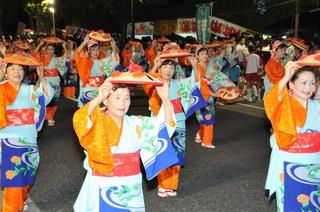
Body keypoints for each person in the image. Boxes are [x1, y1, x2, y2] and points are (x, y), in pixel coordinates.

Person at [73, 79, 178, 211]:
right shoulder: (97, 122)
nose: (122, 103)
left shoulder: (136, 123)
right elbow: (79, 119)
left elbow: (164, 127)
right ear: (106, 100)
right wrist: (99, 97)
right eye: (117, 97)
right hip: (104, 185)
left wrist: (166, 99)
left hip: (131, 185)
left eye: (127, 98)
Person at [144, 54, 206, 197]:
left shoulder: (178, 83)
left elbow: (195, 82)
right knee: (163, 151)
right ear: (160, 69)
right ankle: (162, 185)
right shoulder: (155, 82)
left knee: (177, 153)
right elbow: (146, 83)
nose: (168, 70)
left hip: (178, 121)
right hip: (161, 122)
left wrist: (194, 66)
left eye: (171, 67)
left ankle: (171, 185)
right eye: (164, 67)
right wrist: (154, 66)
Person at [0, 52, 53, 211]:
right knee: (14, 180)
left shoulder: (31, 89)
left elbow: (48, 97)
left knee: (27, 177)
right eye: (12, 69)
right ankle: (11, 208)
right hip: (8, 139)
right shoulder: (2, 88)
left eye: (20, 69)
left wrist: (42, 77)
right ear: (6, 71)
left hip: (29, 139)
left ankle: (19, 203)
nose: (17, 72)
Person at [264, 61, 320, 211]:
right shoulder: (285, 105)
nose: (308, 88)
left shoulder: (317, 106)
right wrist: (286, 76)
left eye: (312, 83)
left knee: (313, 203)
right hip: (289, 164)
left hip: (315, 164)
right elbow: (270, 101)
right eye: (304, 83)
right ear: (292, 84)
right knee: (290, 203)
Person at [74, 34, 119, 107]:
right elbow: (77, 54)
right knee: (90, 111)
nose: (96, 52)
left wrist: (113, 46)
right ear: (89, 51)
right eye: (93, 50)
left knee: (98, 112)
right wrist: (84, 43)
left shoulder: (102, 62)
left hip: (100, 90)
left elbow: (112, 59)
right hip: (88, 90)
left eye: (97, 49)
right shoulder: (85, 61)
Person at [34, 39, 67, 126]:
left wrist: (64, 47)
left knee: (54, 99)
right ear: (45, 50)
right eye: (48, 49)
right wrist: (40, 44)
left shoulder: (57, 59)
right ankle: (42, 115)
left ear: (54, 50)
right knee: (43, 99)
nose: (50, 51)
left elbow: (65, 58)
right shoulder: (42, 58)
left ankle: (50, 117)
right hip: (45, 80)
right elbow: (34, 55)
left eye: (52, 49)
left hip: (55, 79)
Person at [194, 46, 221, 148]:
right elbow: (199, 84)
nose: (205, 56)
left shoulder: (208, 67)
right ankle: (206, 141)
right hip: (201, 97)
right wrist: (213, 93)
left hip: (209, 96)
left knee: (203, 119)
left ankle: (199, 135)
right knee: (208, 119)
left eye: (205, 53)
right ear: (197, 56)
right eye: (202, 54)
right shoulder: (196, 68)